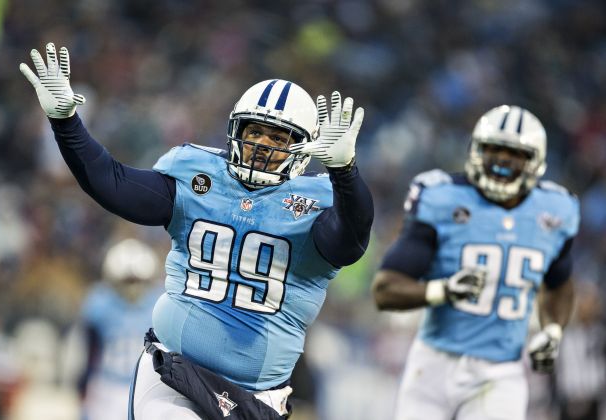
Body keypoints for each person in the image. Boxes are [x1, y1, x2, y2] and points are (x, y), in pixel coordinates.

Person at [20, 42, 373, 419]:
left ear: (304, 149)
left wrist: (346, 171)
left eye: (278, 138)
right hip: (175, 374)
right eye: (254, 132)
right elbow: (114, 184)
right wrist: (66, 121)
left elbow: (350, 241)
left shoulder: (318, 200)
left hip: (259, 397)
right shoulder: (198, 174)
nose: (261, 145)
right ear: (236, 130)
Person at [371, 105, 579, 420]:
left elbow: (560, 284)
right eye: (494, 149)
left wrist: (552, 330)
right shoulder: (442, 198)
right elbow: (385, 290)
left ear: (536, 162)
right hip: (433, 365)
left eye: (515, 153)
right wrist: (442, 291)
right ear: (475, 150)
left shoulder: (556, 210)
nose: (503, 161)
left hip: (500, 372)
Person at [75, 238, 163, 420]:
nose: (132, 287)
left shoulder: (158, 303)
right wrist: (84, 385)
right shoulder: (99, 302)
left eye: (137, 281)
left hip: (145, 386)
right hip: (107, 386)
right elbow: (89, 351)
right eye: (126, 281)